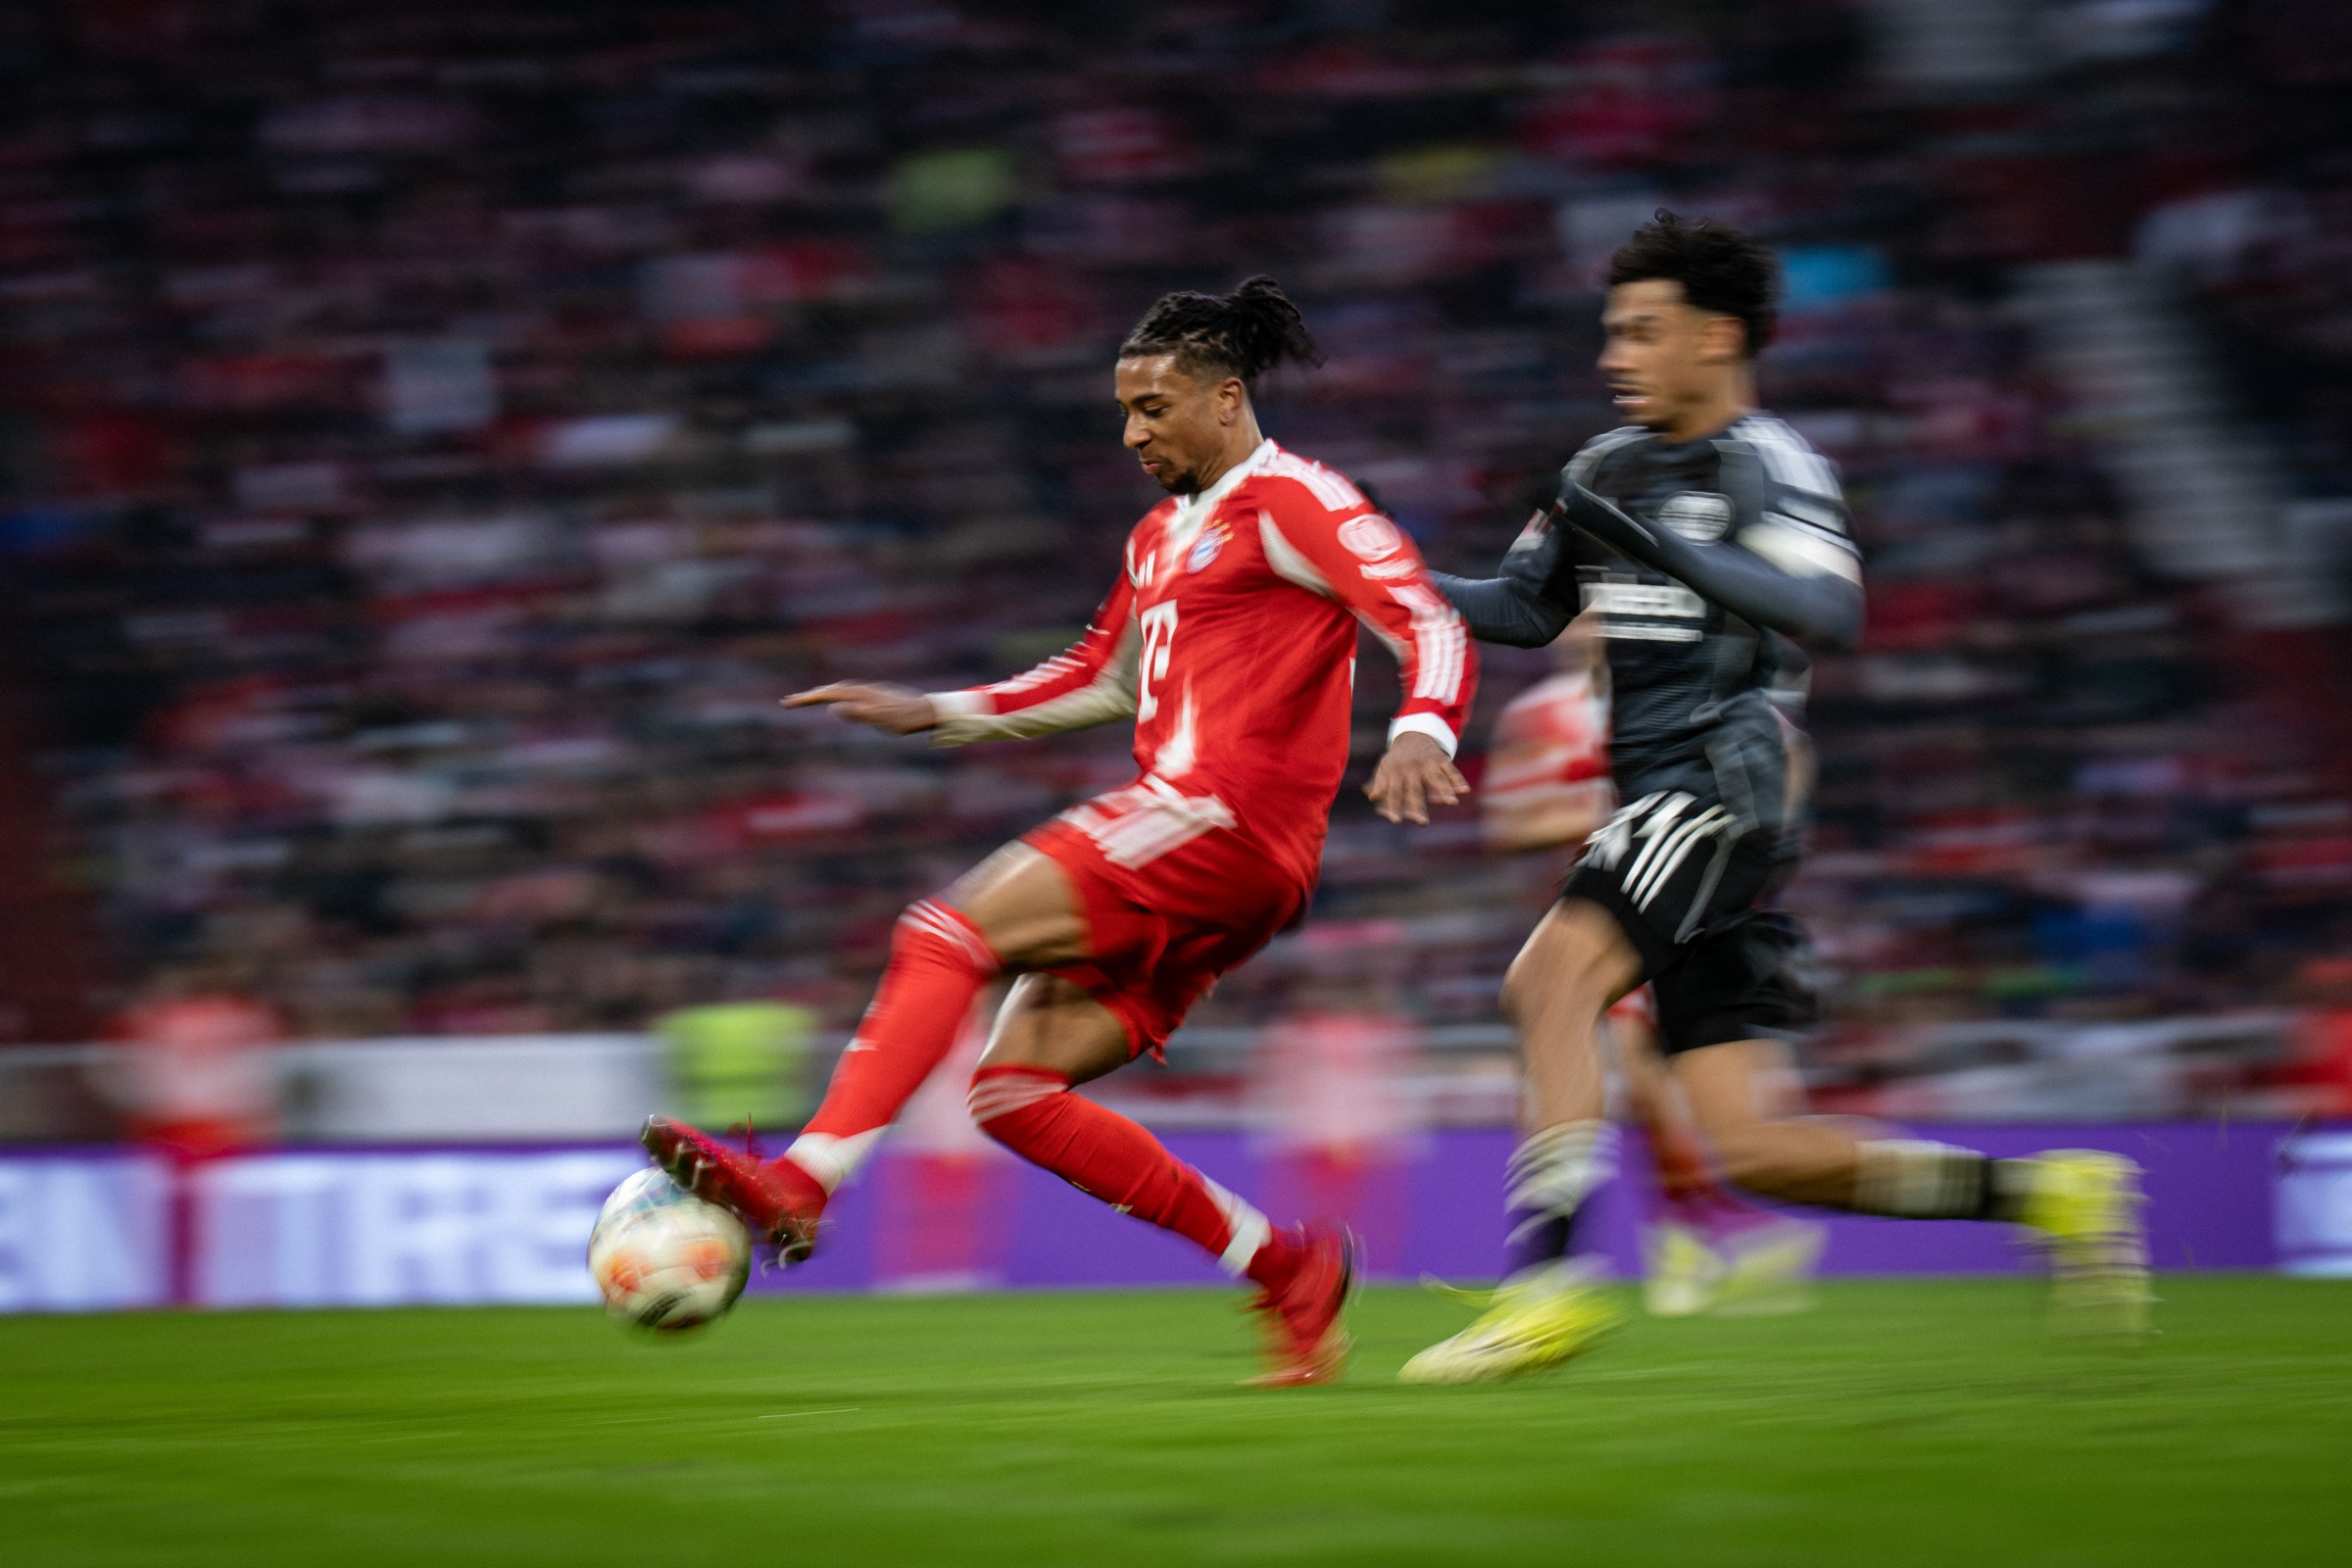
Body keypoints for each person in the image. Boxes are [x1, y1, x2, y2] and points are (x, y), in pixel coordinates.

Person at [643, 276, 1477, 1387]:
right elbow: (1100, 678)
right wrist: (934, 710)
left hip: (1215, 818)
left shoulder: (1294, 501)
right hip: (1221, 861)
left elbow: (1424, 614)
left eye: (1155, 408)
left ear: (1228, 400)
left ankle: (803, 1180)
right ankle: (1289, 1269)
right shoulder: (1155, 538)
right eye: (1125, 411)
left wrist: (1426, 728)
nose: (1133, 433)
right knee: (1013, 1094)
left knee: (945, 929)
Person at [1402, 213, 2148, 1385]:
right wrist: (1360, 575)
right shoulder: (1604, 465)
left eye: (1643, 333)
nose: (1616, 356)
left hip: (1721, 784)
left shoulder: (1772, 461)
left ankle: (1545, 1289)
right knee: (1758, 1151)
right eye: (1611, 333)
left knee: (1545, 981)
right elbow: (1518, 608)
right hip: (1664, 808)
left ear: (1718, 339)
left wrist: (1658, 544)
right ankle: (2051, 1191)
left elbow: (1829, 612)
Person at [1481, 615, 1826, 1318]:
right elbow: (1507, 823)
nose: (1589, 629)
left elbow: (1788, 773)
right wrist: (1607, 815)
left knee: (1679, 1096)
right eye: (1580, 615)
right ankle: (1693, 1236)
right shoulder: (1542, 713)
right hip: (1602, 914)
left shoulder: (1696, 696)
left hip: (1690, 910)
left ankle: (1685, 1237)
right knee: (1637, 1082)